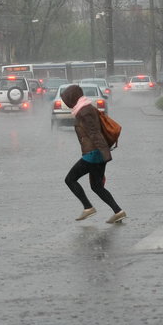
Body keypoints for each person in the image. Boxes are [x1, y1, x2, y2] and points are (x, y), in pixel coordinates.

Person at [61, 84, 126, 223]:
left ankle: (88, 207)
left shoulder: (85, 111)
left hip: (93, 154)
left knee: (70, 179)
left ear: (72, 98)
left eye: (67, 99)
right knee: (97, 186)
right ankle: (118, 211)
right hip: (97, 153)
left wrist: (104, 153)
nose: (66, 103)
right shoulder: (85, 109)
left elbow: (94, 132)